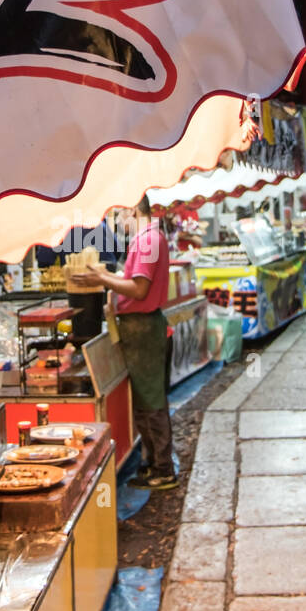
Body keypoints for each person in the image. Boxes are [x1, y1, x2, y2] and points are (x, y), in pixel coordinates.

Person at [72, 195, 177, 491]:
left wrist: (103, 279)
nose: (117, 222)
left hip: (143, 328)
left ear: (131, 210)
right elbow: (132, 280)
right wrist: (104, 277)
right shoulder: (150, 238)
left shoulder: (146, 241)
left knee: (151, 399)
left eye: (118, 215)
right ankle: (153, 463)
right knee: (145, 399)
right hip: (141, 327)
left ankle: (164, 469)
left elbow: (139, 289)